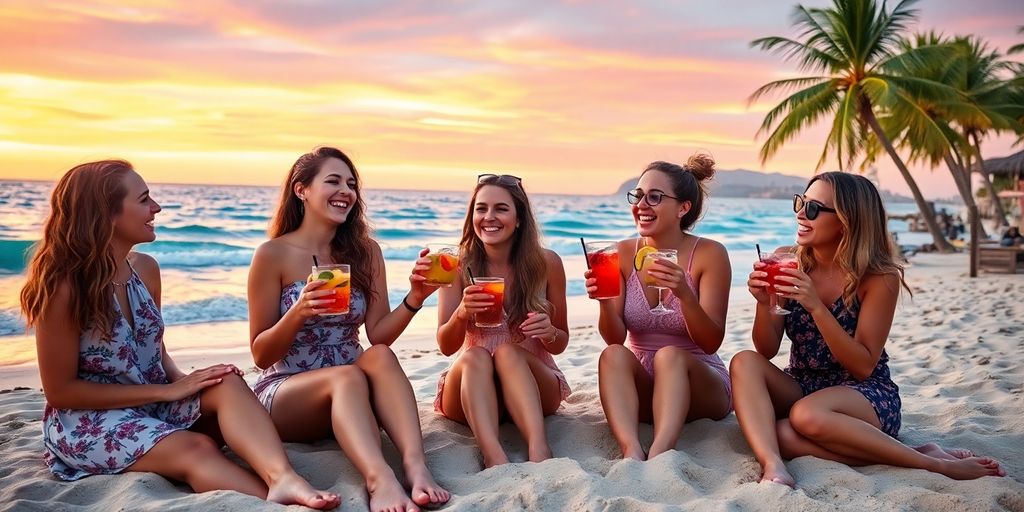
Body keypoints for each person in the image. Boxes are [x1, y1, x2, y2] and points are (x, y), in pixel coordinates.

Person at [20, 160, 337, 508]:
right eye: (143, 200)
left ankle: (284, 478)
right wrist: (169, 390)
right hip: (88, 421)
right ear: (106, 214)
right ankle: (276, 503)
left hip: (152, 402)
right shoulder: (64, 287)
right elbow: (61, 391)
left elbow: (155, 352)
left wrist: (187, 380)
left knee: (227, 381)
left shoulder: (145, 269)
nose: (156, 207)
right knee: (197, 447)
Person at [732, 171, 1006, 487]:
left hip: (863, 394)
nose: (800, 214)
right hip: (804, 381)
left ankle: (930, 462)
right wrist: (766, 304)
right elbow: (765, 350)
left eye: (813, 209)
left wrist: (816, 307)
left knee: (804, 416)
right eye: (800, 202)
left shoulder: (878, 278)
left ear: (847, 221)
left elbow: (862, 366)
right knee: (749, 374)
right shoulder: (787, 260)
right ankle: (774, 465)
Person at [248, 147, 450, 512]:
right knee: (347, 377)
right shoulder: (272, 254)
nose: (346, 191)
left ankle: (416, 467)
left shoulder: (365, 251)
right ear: (301, 190)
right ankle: (380, 479)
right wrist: (299, 310)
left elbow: (379, 334)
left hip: (352, 392)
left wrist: (416, 297)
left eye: (352, 184)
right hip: (288, 391)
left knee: (380, 356)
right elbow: (261, 353)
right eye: (333, 181)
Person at [585, 154, 733, 461]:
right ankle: (631, 450)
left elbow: (711, 341)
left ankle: (662, 450)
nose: (641, 205)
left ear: (683, 207)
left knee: (669, 356)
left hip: (699, 383)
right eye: (638, 196)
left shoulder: (710, 254)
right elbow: (614, 338)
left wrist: (684, 294)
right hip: (644, 385)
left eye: (654, 197)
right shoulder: (622, 252)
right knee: (612, 354)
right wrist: (603, 303)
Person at [434, 173, 571, 468]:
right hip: (473, 392)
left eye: (501, 209)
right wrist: (461, 313)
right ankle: (492, 454)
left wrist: (549, 332)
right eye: (481, 208)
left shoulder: (547, 263)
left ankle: (538, 448)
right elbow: (446, 346)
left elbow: (561, 343)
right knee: (474, 357)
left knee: (508, 352)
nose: (489, 217)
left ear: (519, 218)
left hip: (533, 387)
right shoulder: (456, 265)